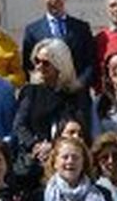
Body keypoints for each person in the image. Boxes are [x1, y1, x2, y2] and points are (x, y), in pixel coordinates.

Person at [12, 38, 93, 184]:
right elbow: (19, 125)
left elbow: (81, 128)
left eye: (46, 63)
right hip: (35, 163)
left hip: (68, 161)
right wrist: (36, 146)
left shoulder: (77, 95)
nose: (39, 67)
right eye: (37, 61)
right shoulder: (30, 92)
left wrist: (54, 147)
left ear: (60, 65)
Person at [19, 0, 97, 92]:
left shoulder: (82, 28)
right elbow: (28, 66)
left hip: (77, 96)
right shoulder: (32, 31)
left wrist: (80, 83)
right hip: (44, 96)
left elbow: (91, 62)